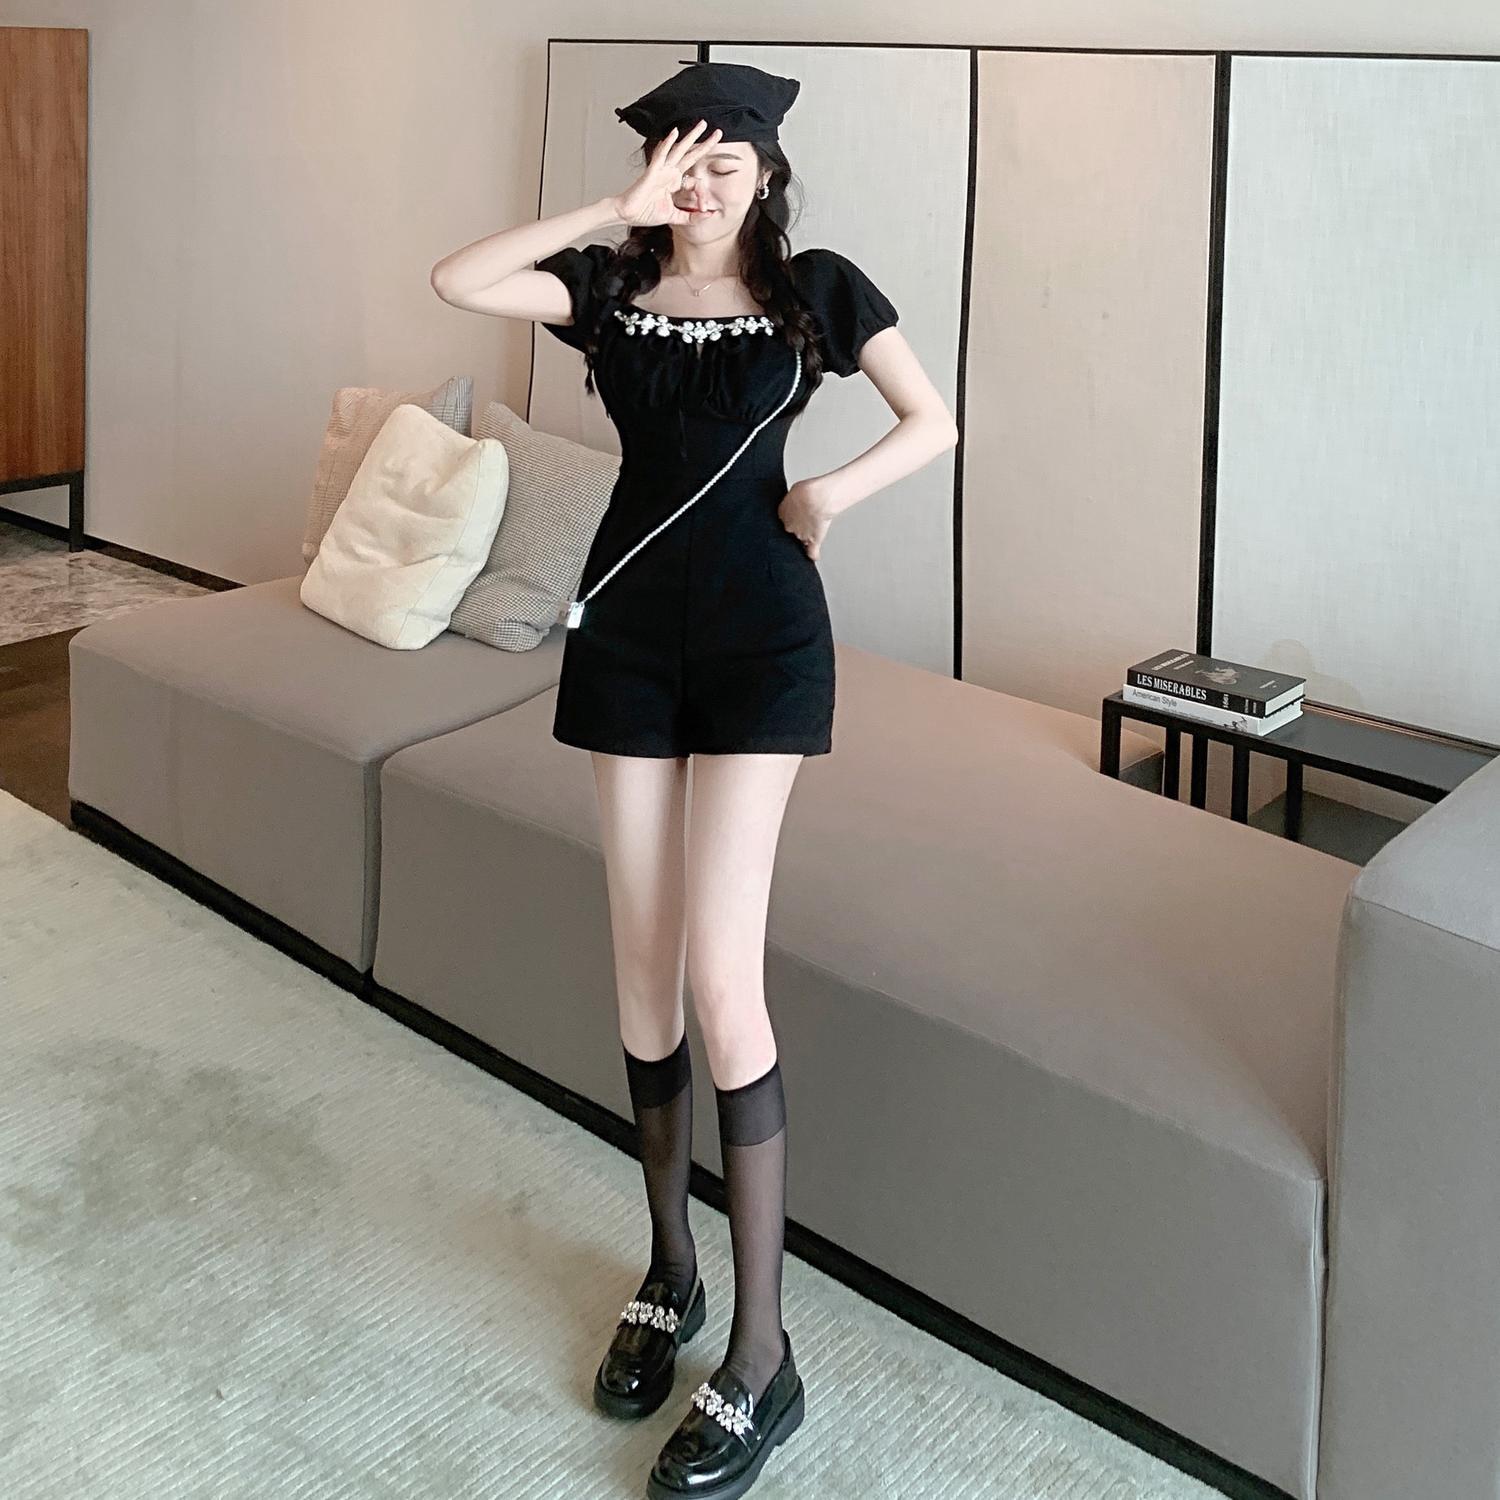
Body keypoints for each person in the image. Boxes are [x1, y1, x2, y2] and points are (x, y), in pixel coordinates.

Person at [430, 59, 958, 1500]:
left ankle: (765, 1353)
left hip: (762, 642)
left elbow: (933, 421)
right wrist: (616, 208)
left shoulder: (816, 291)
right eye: (682, 157)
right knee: (639, 975)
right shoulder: (607, 287)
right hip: (626, 635)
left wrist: (829, 492)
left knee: (724, 980)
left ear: (770, 173)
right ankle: (670, 1271)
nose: (704, 180)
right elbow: (458, 279)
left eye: (729, 160)